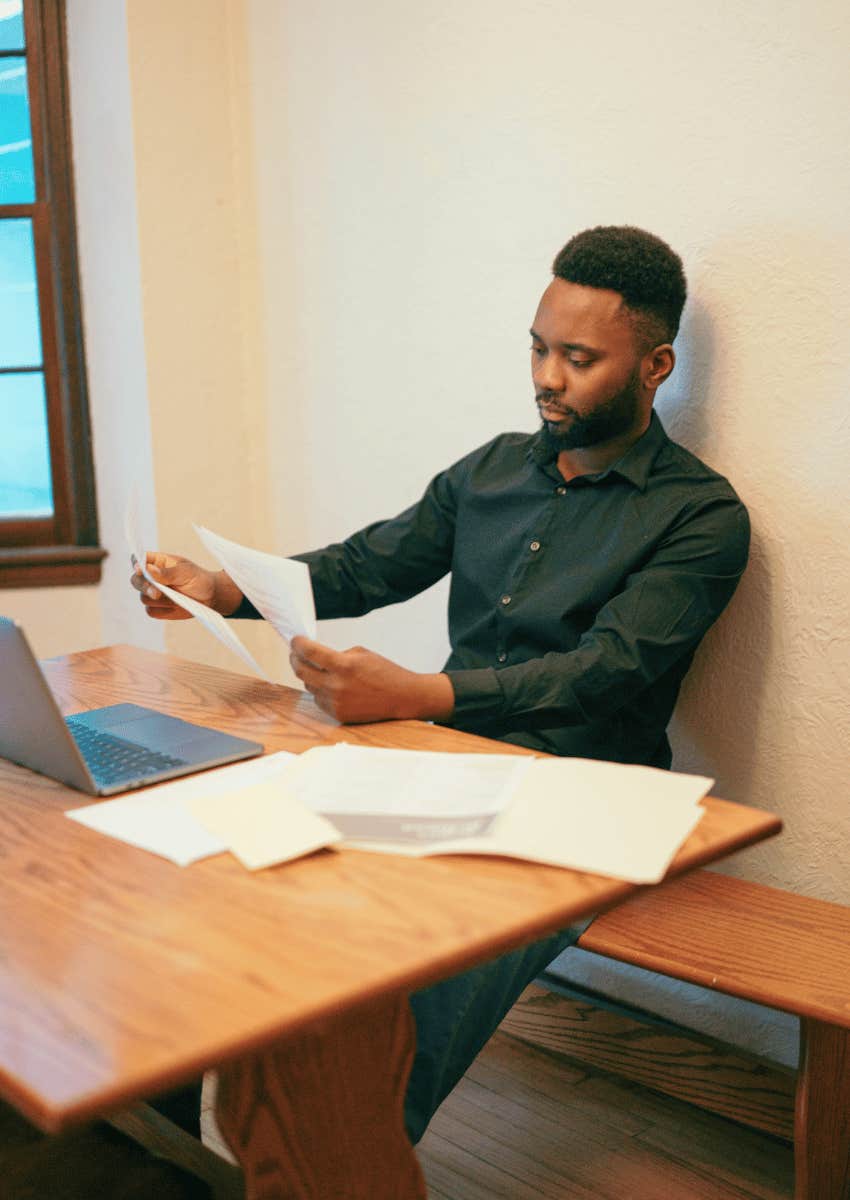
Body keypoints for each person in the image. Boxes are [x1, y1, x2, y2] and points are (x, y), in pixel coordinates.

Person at [133, 225, 749, 1144]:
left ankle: (339, 1148)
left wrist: (421, 694)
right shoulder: (493, 469)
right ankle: (191, 1095)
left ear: (656, 365)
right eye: (538, 348)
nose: (546, 377)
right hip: (438, 760)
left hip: (585, 791)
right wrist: (221, 592)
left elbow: (609, 673)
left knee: (444, 933)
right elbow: (367, 567)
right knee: (237, 855)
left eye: (578, 358)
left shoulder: (702, 516)